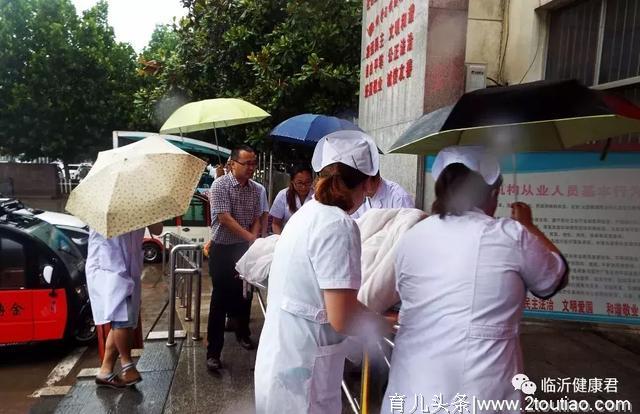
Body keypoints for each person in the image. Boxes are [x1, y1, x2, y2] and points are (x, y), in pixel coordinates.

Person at [382, 146, 568, 412]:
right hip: (482, 391)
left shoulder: (412, 237)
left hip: (413, 389)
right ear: (491, 193)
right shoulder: (509, 235)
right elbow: (554, 279)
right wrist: (529, 225)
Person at [254, 130, 392, 414]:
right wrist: (387, 324)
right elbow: (343, 317)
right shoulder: (338, 225)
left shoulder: (307, 214)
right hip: (305, 375)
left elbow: (331, 297)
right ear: (367, 184)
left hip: (283, 359)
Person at [86, 222, 163, 388]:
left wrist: (150, 215)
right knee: (122, 317)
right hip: (107, 268)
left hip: (129, 267)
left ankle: (105, 371)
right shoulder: (106, 207)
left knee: (123, 320)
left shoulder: (139, 206)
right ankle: (127, 365)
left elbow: (158, 230)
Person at [206, 145, 262, 371]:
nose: (251, 168)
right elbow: (224, 218)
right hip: (222, 249)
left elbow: (257, 216)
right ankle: (213, 352)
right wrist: (250, 236)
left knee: (244, 295)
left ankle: (243, 333)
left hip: (244, 248)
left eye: (253, 163)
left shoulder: (256, 189)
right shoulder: (219, 185)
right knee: (220, 299)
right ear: (232, 164)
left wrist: (254, 239)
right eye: (246, 163)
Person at [269, 163, 314, 234]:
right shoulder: (283, 195)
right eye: (299, 183)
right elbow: (276, 224)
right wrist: (280, 240)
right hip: (287, 237)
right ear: (292, 182)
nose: (304, 187)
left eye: (308, 182)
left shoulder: (317, 196)